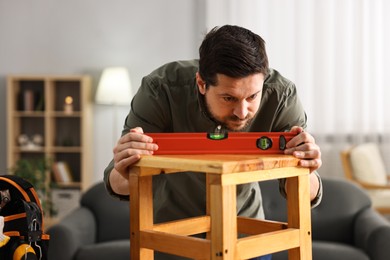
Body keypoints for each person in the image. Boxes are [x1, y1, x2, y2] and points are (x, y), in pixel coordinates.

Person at [104, 25, 322, 260]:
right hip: (173, 238)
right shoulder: (160, 90)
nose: (241, 112)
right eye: (229, 98)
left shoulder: (282, 95)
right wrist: (125, 165)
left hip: (245, 237)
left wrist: (307, 167)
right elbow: (116, 183)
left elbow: (302, 193)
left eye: (252, 97)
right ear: (201, 83)